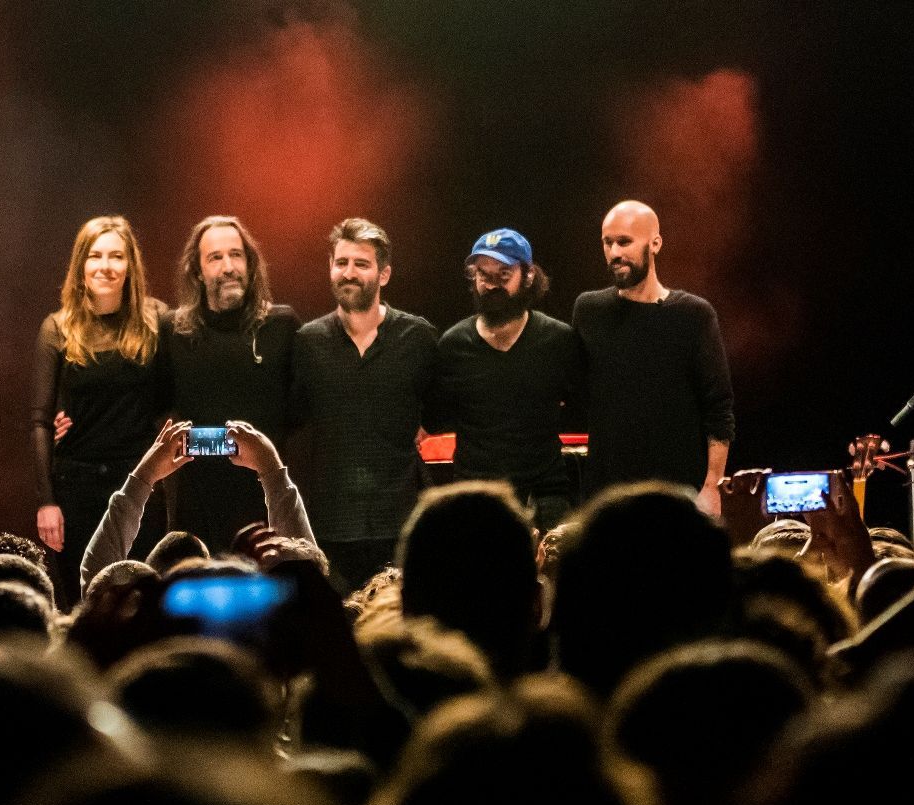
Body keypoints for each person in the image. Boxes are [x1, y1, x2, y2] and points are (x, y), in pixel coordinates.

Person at [290, 218, 440, 589]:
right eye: (341, 263)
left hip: (401, 522)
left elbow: (441, 409)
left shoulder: (418, 337)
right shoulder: (308, 342)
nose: (349, 273)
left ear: (384, 274)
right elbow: (292, 418)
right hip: (330, 525)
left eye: (361, 263)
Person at [30, 215, 170, 608]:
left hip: (137, 484)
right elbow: (39, 421)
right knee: (82, 606)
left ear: (130, 267)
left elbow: (170, 397)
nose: (105, 265)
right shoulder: (57, 328)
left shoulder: (157, 320)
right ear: (81, 266)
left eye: (116, 256)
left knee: (141, 605)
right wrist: (46, 501)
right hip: (76, 489)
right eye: (95, 256)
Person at [572, 200, 735, 515]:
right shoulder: (590, 310)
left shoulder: (692, 315)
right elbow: (572, 389)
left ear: (655, 243)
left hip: (677, 494)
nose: (615, 252)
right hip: (607, 496)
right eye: (608, 243)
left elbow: (719, 407)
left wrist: (712, 486)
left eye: (625, 241)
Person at [429, 228, 585, 529]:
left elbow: (582, 407)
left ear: (527, 276)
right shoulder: (452, 344)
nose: (491, 284)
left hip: (545, 496)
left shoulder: (558, 339)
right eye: (483, 275)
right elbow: (437, 417)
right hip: (475, 498)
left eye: (503, 274)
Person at [164, 216, 300, 550]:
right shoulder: (172, 332)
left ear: (250, 264)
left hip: (268, 505)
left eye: (236, 255)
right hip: (197, 512)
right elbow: (150, 409)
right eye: (216, 257)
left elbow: (303, 412)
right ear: (197, 271)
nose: (228, 266)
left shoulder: (282, 325)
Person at [77, 419, 312, 592]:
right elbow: (308, 577)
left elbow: (97, 579)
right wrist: (271, 467)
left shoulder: (130, 638)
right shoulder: (253, 644)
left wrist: (145, 475)